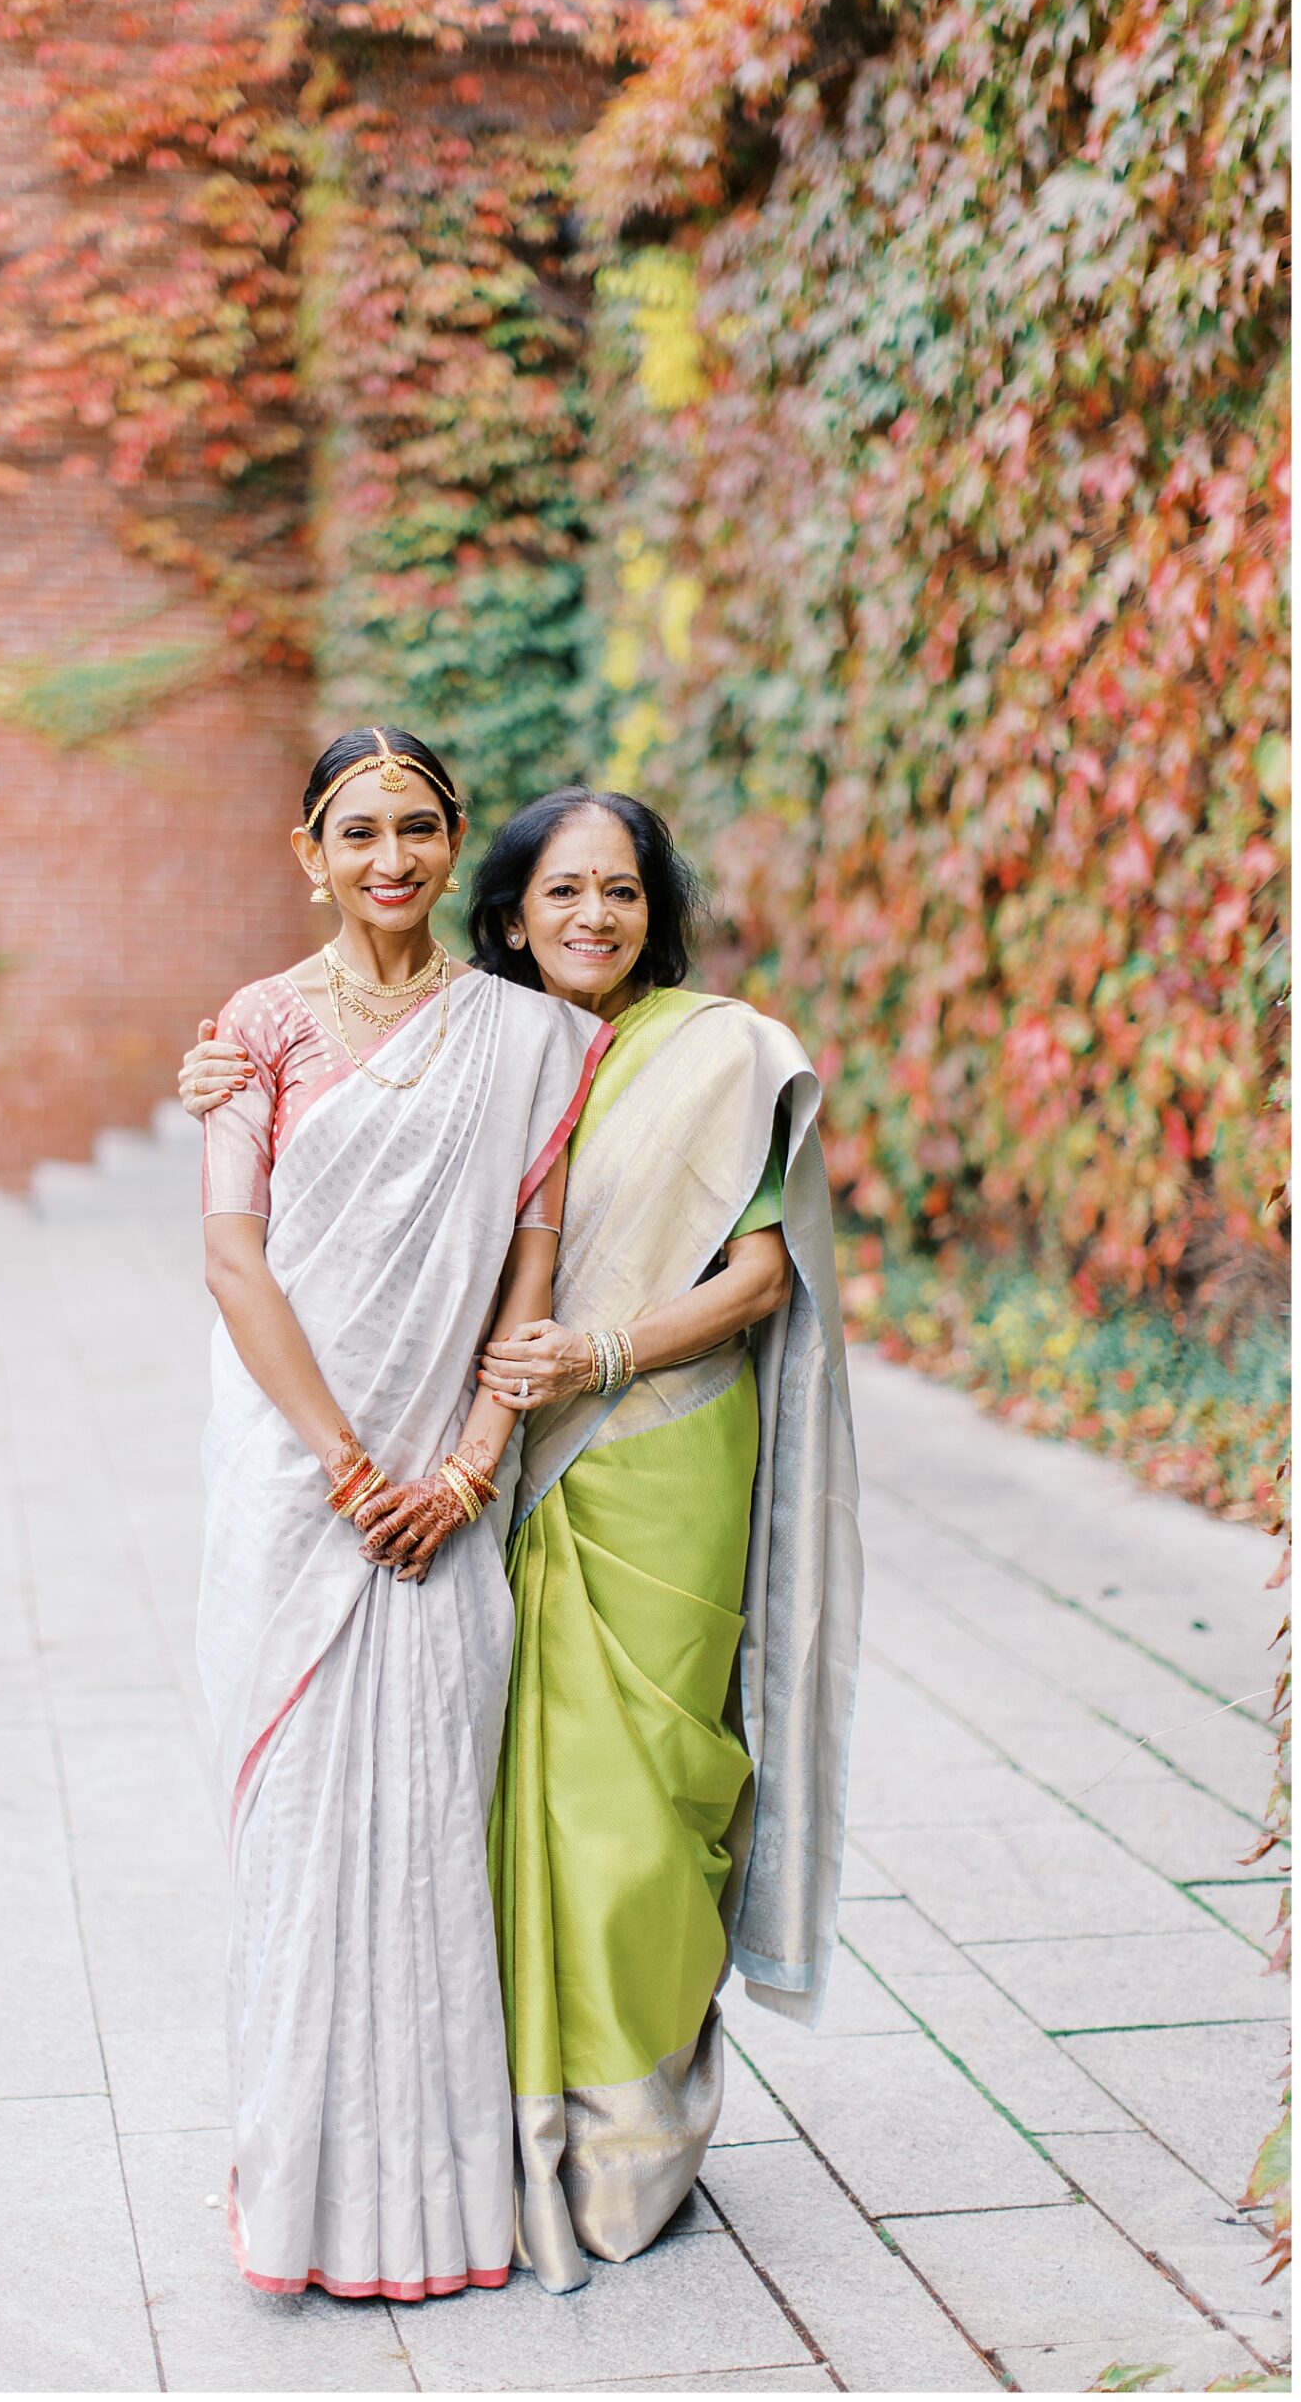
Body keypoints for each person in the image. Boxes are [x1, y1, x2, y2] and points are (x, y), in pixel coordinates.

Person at [182, 783, 862, 2298]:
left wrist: (598, 1360)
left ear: (653, 907)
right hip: (472, 1474)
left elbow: (758, 1279)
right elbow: (329, 1129)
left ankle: (633, 2143)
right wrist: (225, 1073)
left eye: (620, 891)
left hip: (648, 1458)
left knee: (640, 1817)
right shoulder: (477, 1038)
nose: (592, 918)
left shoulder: (716, 1052)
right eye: (561, 892)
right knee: (476, 1821)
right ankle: (487, 2137)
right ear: (506, 912)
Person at [194, 727, 608, 2304]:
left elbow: (530, 1266)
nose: (390, 859)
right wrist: (349, 1470)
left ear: (452, 848)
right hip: (305, 1490)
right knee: (303, 1840)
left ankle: (438, 2212)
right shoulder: (256, 1032)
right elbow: (235, 1263)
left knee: (436, 1825)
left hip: (448, 1492)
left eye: (419, 829)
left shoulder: (524, 1037)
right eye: (357, 832)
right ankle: (296, 2198)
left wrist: (467, 1470)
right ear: (308, 850)